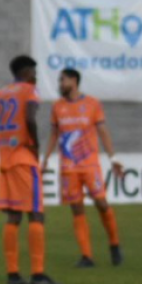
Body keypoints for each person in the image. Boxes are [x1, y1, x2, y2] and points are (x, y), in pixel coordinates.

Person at [0, 56, 61, 284]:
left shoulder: (1, 93)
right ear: (25, 71)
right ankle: (38, 275)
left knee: (13, 216)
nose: (36, 76)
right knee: (36, 214)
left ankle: (13, 275)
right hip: (23, 159)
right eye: (34, 71)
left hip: (5, 160)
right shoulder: (29, 90)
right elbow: (30, 118)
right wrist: (35, 146)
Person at [41, 68, 124, 267]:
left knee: (101, 204)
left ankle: (114, 243)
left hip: (90, 165)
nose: (60, 84)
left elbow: (102, 131)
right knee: (76, 209)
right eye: (59, 80)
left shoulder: (92, 104)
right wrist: (45, 159)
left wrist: (113, 158)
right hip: (68, 167)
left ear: (74, 80)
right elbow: (54, 134)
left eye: (63, 80)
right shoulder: (57, 107)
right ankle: (87, 256)